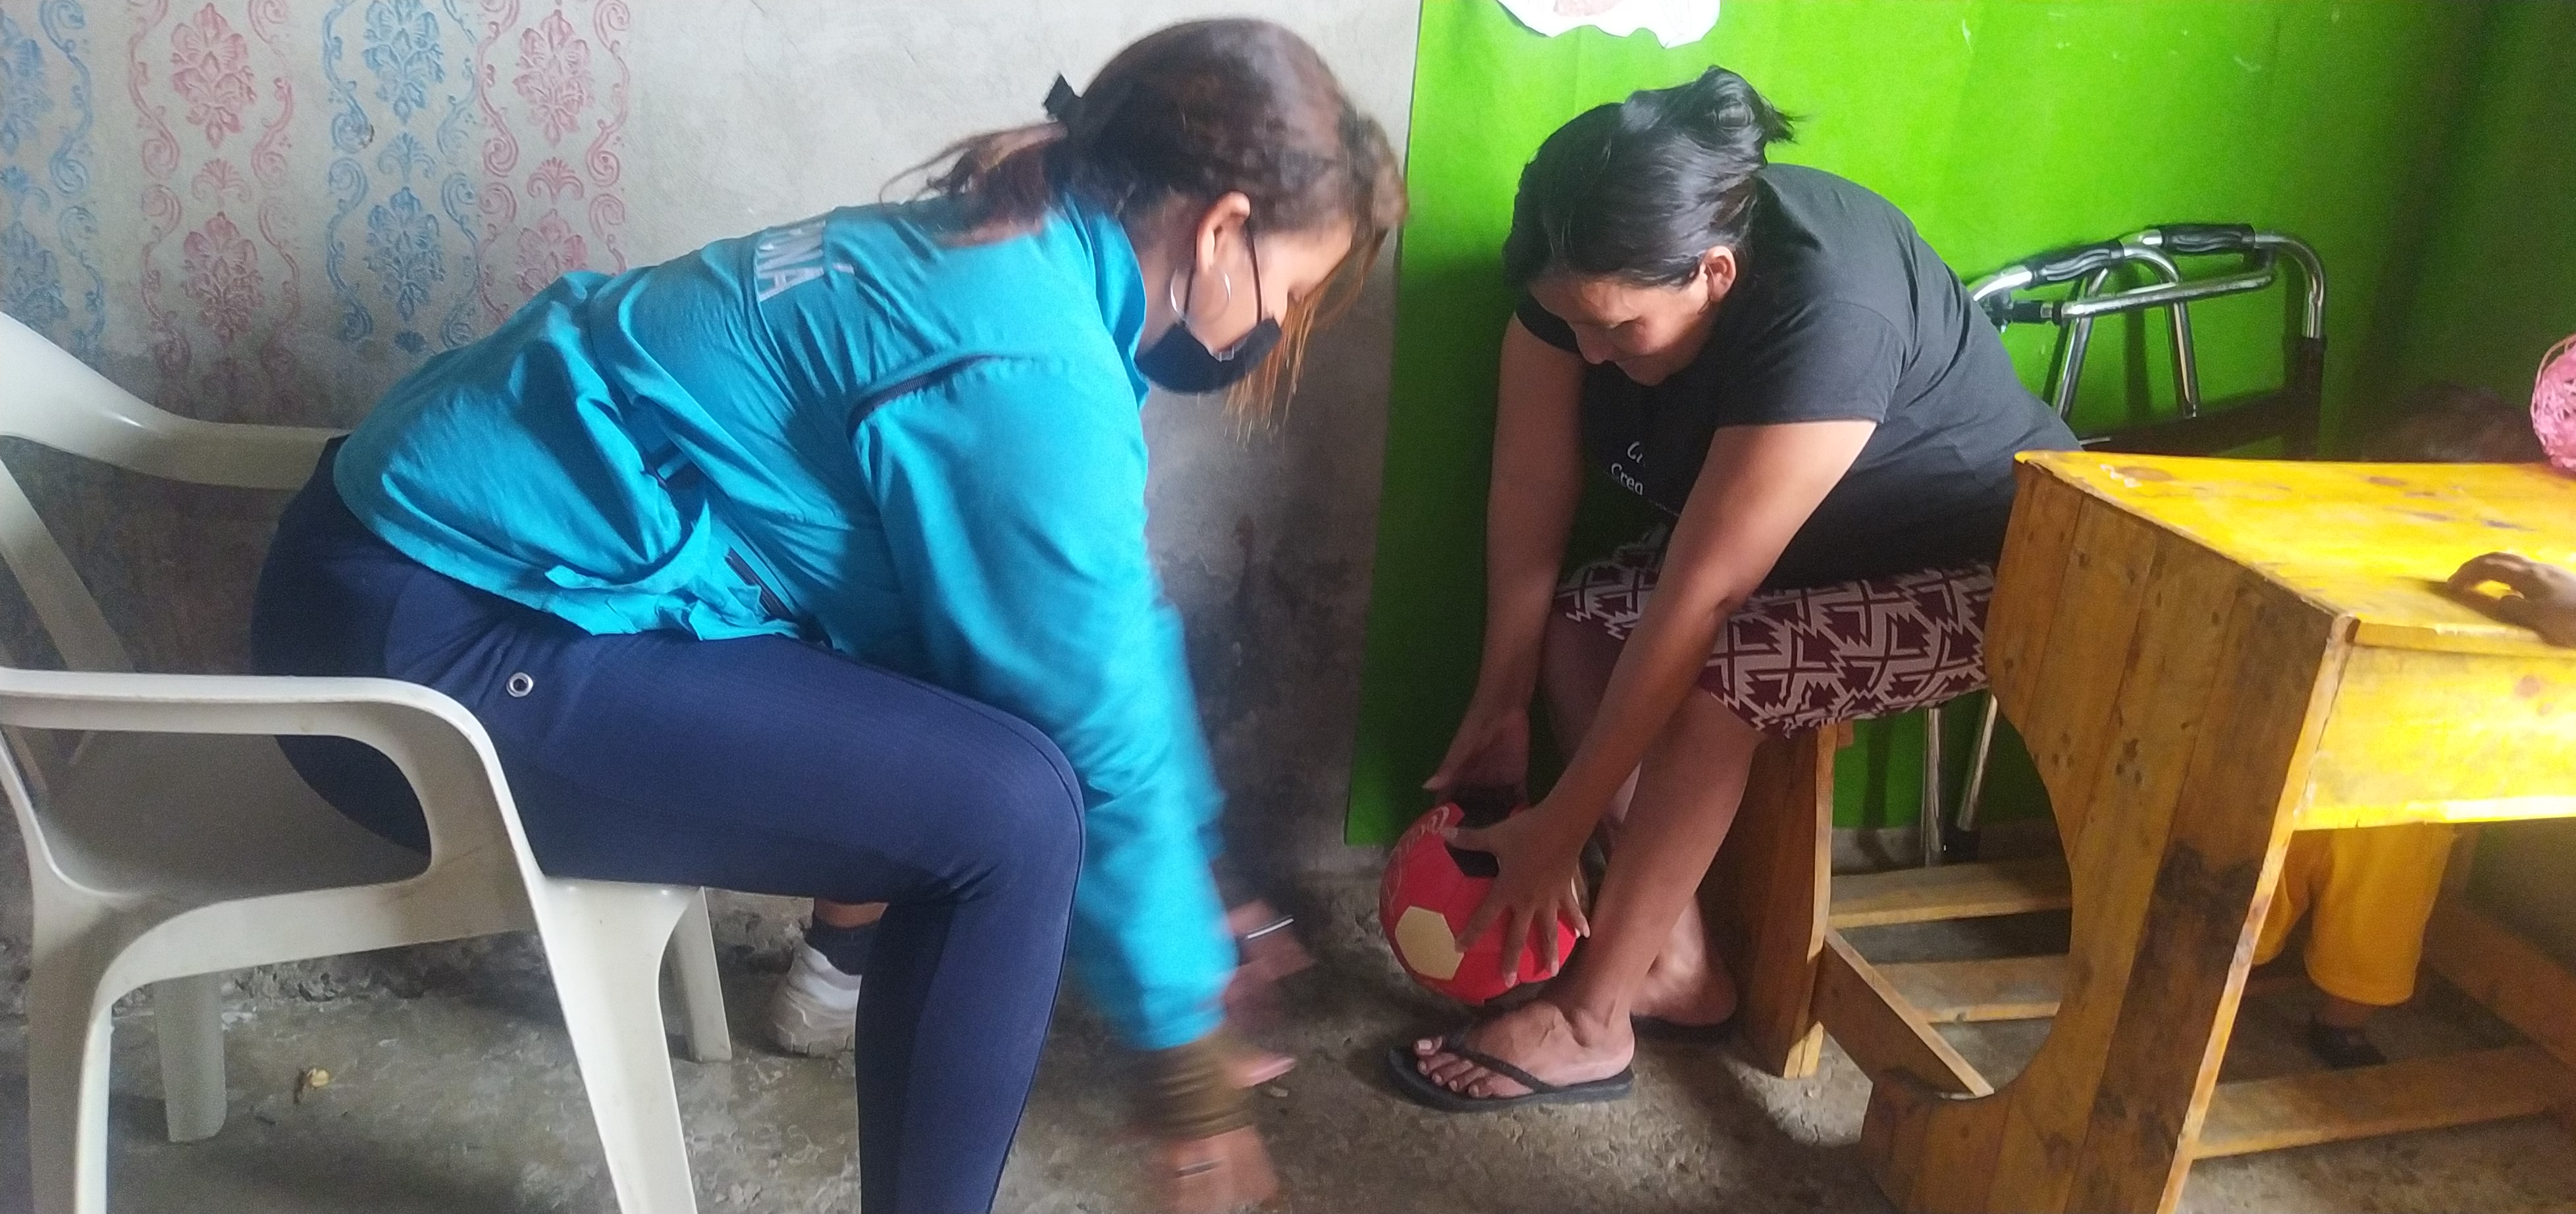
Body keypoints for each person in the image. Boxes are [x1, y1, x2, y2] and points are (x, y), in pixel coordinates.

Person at [249, 20, 1402, 1212]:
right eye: (1289, 291)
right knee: (1012, 820)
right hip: (411, 661)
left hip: (414, 577)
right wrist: (1188, 1068)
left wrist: (1196, 873)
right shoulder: (1024, 357)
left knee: (995, 752)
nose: (1272, 328)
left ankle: (839, 966)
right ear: (1219, 231)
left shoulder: (1006, 248)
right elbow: (1089, 716)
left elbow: (1103, 633)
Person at [1390, 66, 2078, 1109]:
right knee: (1583, 624)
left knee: (1723, 674)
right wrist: (1502, 697)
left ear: (1714, 273)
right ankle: (1674, 965)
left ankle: (1591, 1021)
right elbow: (1532, 485)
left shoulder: (1830, 310)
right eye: (1570, 326)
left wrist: (1564, 823)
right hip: (1805, 561)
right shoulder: (1578, 283)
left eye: (1619, 330)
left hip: (1987, 561)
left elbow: (1704, 600)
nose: (1590, 354)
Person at [2255, 388, 2576, 1069]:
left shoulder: (2508, 578)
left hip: (2407, 773)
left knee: (2384, 898)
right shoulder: (2326, 537)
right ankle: (2238, 981)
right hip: (2303, 756)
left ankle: (2342, 1019)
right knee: (2264, 875)